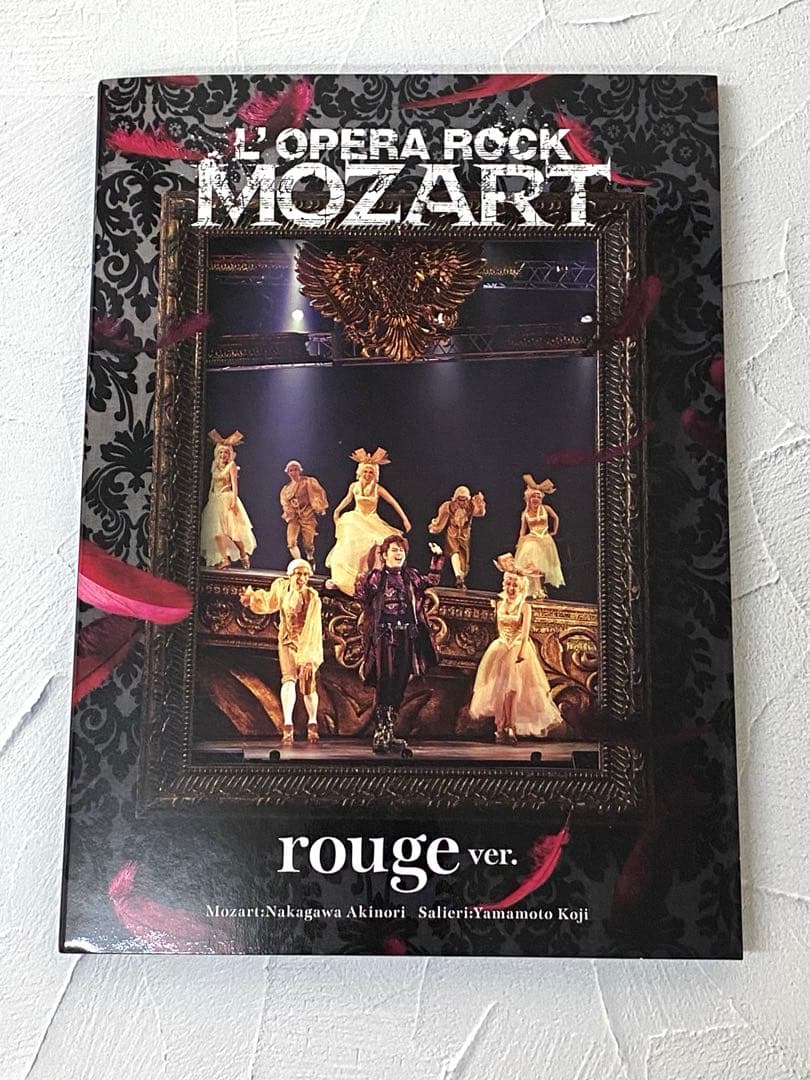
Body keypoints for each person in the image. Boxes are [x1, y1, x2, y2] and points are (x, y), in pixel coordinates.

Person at [356, 536, 444, 755]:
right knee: (385, 680)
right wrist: (367, 569)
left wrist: (437, 558)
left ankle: (389, 730)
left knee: (400, 681)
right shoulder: (377, 577)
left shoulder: (410, 576)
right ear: (385, 554)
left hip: (407, 635)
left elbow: (431, 580)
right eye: (394, 550)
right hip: (385, 637)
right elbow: (362, 595)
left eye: (401, 551)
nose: (398, 554)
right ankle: (381, 731)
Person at [469, 558, 564, 743]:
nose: (511, 588)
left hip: (518, 646)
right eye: (509, 584)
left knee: (512, 688)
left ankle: (510, 726)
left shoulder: (525, 606)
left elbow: (524, 632)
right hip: (501, 646)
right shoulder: (499, 604)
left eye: (515, 585)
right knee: (499, 688)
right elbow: (499, 628)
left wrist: (519, 652)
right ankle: (500, 727)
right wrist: (503, 644)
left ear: (521, 587)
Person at [240, 559, 323, 746]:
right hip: (286, 640)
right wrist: (251, 599)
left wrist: (308, 657)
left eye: (305, 575)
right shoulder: (282, 588)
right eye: (298, 574)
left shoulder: (312, 597)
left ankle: (312, 723)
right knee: (288, 679)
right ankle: (287, 725)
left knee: (308, 686)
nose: (302, 578)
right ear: (290, 575)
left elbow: (313, 628)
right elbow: (269, 601)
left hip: (306, 644)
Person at [325, 447, 412, 596]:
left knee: (374, 543)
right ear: (360, 472)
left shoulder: (377, 488)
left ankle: (369, 580)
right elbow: (348, 499)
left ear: (375, 474)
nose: (367, 474)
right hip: (356, 518)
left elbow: (393, 503)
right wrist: (337, 510)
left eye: (371, 472)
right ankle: (342, 579)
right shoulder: (354, 486)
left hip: (371, 519)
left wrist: (405, 519)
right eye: (365, 471)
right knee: (347, 542)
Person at [200, 430, 257, 570]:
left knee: (233, 532)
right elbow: (212, 483)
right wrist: (210, 497)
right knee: (216, 532)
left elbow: (234, 484)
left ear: (229, 454)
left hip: (227, 498)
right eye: (221, 452)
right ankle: (224, 559)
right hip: (215, 500)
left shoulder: (231, 466)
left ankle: (243, 554)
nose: (223, 455)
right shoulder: (215, 465)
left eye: (226, 453)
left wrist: (234, 500)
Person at [514, 474, 565, 598]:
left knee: (542, 568)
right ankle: (537, 590)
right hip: (532, 540)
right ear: (529, 498)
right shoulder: (525, 513)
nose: (536, 499)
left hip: (545, 540)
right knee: (534, 565)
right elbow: (522, 530)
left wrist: (554, 531)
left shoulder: (546, 508)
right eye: (533, 496)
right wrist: (519, 543)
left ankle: (540, 588)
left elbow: (556, 517)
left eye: (538, 497)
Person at [428, 485, 486, 589]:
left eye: (464, 500)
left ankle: (461, 578)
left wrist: (480, 503)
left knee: (464, 561)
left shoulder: (471, 506)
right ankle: (458, 576)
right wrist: (435, 526)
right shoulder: (448, 506)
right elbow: (441, 518)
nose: (462, 502)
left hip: (464, 535)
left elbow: (480, 513)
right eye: (460, 499)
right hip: (452, 533)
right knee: (454, 552)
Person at [279, 459, 328, 567]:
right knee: (291, 542)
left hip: (307, 515)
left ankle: (310, 557)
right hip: (294, 516)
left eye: (295, 469)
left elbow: (318, 494)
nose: (293, 472)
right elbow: (284, 502)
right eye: (291, 470)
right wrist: (290, 510)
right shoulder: (286, 489)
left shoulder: (308, 482)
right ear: (288, 472)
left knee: (308, 543)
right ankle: (300, 564)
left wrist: (319, 507)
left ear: (299, 470)